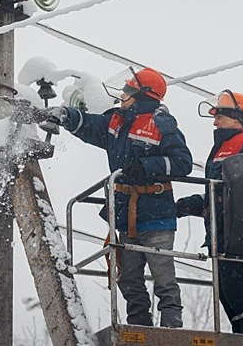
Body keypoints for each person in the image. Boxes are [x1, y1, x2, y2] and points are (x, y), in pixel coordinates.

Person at [44, 67, 192, 328]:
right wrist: (66, 115)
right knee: (128, 278)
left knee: (163, 276)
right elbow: (90, 125)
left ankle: (171, 325)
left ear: (142, 95)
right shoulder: (117, 121)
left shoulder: (161, 123)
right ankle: (139, 324)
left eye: (128, 90)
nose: (122, 94)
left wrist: (147, 168)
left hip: (156, 213)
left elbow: (183, 162)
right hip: (126, 216)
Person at [176, 90, 243, 335]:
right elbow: (216, 195)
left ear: (235, 118)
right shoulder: (220, 149)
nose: (215, 122)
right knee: (227, 293)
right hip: (220, 233)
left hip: (235, 234)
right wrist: (190, 205)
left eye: (219, 116)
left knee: (237, 290)